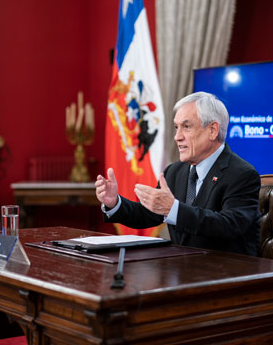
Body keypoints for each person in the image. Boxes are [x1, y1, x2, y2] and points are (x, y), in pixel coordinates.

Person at [95, 92, 261, 256]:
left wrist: (173, 209)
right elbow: (147, 214)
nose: (177, 137)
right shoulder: (174, 172)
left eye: (186, 127)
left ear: (212, 130)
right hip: (180, 272)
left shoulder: (242, 175)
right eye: (176, 127)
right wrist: (114, 202)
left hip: (226, 275)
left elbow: (228, 225)